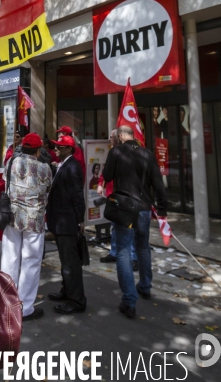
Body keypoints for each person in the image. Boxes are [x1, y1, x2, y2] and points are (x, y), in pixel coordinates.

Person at [103, 125, 168, 319]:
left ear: (122, 136)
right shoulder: (147, 154)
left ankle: (129, 300)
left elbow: (107, 176)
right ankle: (145, 286)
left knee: (123, 250)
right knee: (143, 247)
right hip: (144, 209)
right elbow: (158, 184)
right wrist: (162, 209)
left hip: (125, 208)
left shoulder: (116, 151)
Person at [1, 132, 52, 321]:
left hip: (12, 216)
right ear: (38, 150)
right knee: (31, 261)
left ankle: (6, 302)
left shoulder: (11, 163)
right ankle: (26, 307)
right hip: (34, 219)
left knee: (9, 258)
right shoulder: (46, 168)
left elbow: (6, 184)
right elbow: (48, 190)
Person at [46, 135, 87, 314]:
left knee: (71, 263)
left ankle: (76, 300)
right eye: (56, 146)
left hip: (67, 222)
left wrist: (80, 219)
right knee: (66, 261)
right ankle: (67, 291)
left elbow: (77, 195)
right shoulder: (64, 165)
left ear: (69, 149)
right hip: (60, 221)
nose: (56, 149)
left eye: (60, 147)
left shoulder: (72, 167)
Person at [97, 129, 138, 270]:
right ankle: (114, 252)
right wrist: (101, 184)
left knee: (129, 227)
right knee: (114, 225)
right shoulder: (113, 151)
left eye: (112, 137)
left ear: (118, 137)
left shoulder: (129, 153)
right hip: (113, 195)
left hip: (126, 196)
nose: (109, 139)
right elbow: (106, 172)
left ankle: (133, 257)